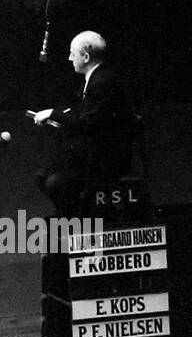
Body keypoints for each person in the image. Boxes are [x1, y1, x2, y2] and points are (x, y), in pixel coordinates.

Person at [32, 30, 135, 217]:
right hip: (89, 152)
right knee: (42, 176)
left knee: (55, 182)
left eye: (73, 53)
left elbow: (88, 123)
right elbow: (83, 113)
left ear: (86, 56)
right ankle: (69, 214)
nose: (70, 58)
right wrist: (57, 118)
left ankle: (74, 219)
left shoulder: (102, 82)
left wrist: (53, 114)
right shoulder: (94, 79)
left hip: (104, 158)